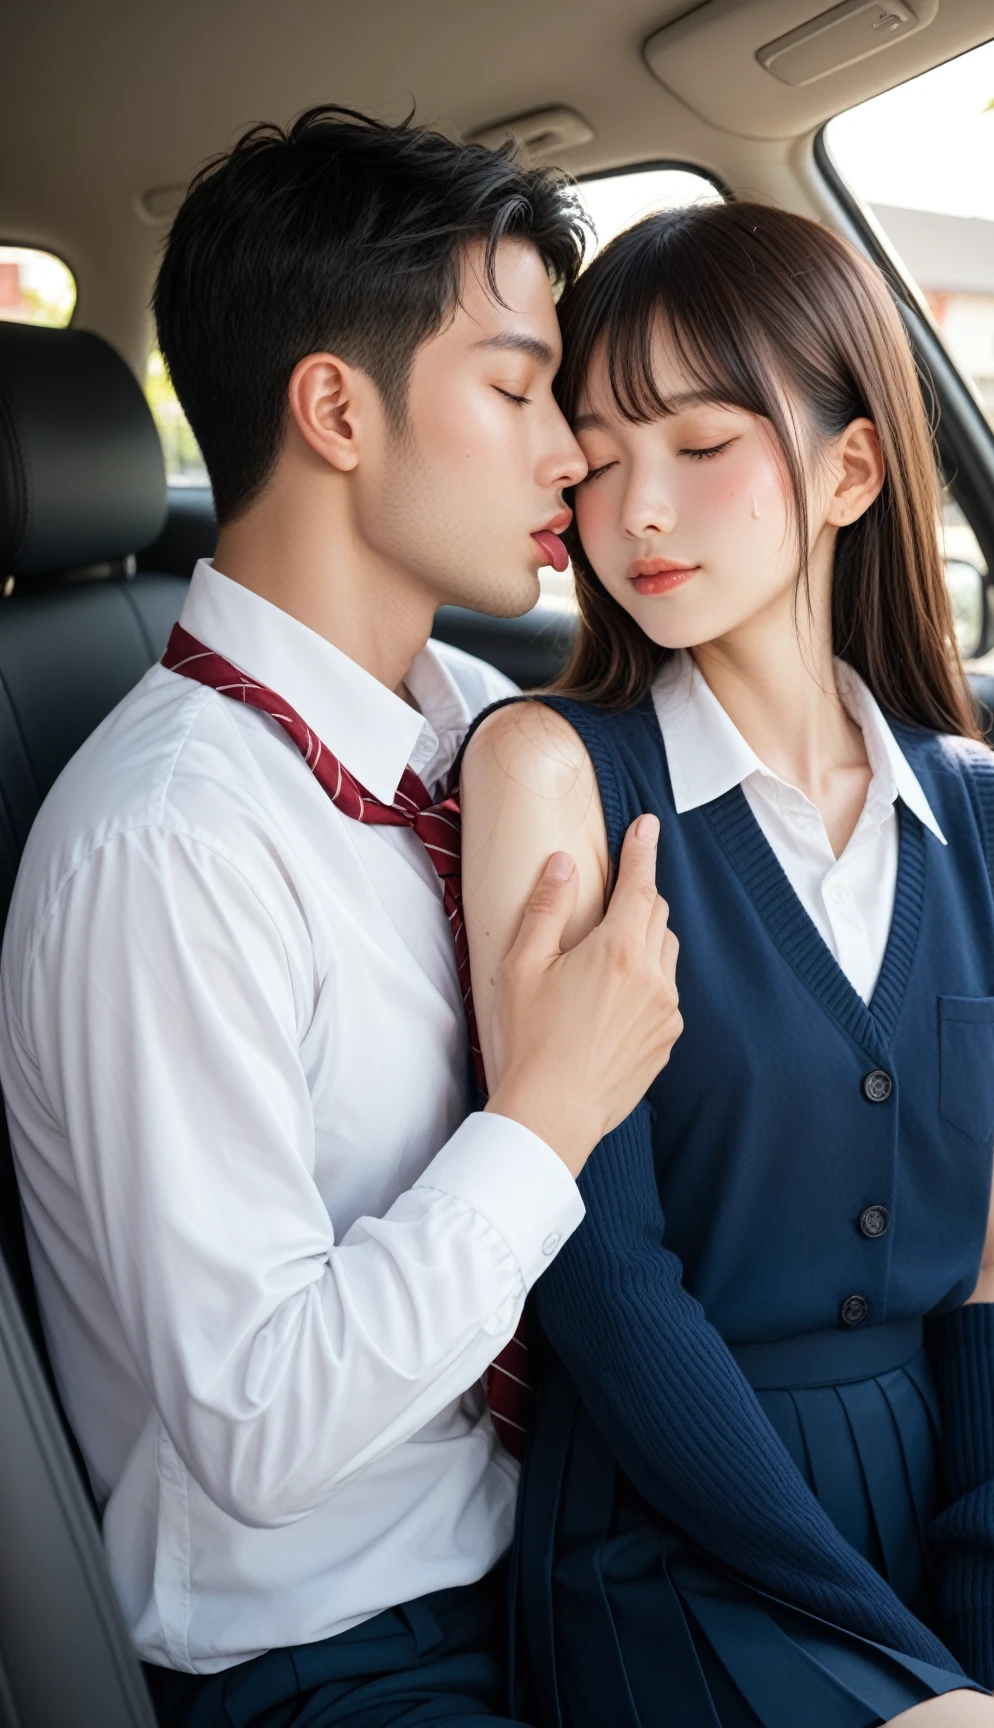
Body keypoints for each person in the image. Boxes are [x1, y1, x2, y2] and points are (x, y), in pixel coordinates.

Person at [0, 110, 682, 1727]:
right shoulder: (167, 848)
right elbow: (257, 1429)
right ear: (334, 410)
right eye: (519, 390)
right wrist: (546, 1118)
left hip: (565, 1539)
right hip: (335, 1649)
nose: (571, 452)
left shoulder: (469, 726)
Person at [460, 201, 994, 1728]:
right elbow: (602, 1283)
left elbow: (990, 1268)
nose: (636, 509)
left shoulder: (982, 814)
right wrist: (915, 1674)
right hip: (678, 1528)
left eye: (702, 446)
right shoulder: (553, 767)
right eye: (599, 451)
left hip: (939, 1496)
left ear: (849, 469)